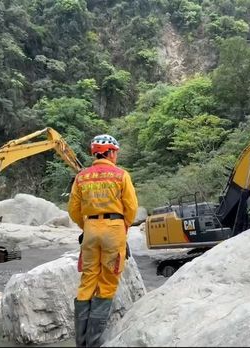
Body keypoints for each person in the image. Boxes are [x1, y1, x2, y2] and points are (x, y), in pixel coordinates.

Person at [68, 134, 138, 347]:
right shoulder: (120, 175)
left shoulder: (82, 177)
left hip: (90, 229)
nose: (116, 156)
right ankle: (95, 343)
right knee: (107, 283)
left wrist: (87, 226)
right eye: (115, 152)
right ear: (109, 152)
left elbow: (73, 210)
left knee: (88, 280)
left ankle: (81, 343)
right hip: (113, 229)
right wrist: (121, 226)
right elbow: (132, 208)